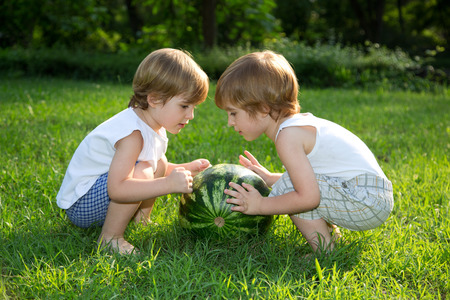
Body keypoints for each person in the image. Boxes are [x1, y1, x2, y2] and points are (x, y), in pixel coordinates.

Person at [215, 50, 394, 254]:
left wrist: (261, 205)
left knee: (291, 191)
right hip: (370, 195)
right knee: (288, 184)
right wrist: (270, 178)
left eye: (233, 113)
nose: (230, 122)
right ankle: (330, 234)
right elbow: (315, 176)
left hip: (366, 201)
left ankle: (325, 250)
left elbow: (309, 198)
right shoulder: (296, 127)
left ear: (263, 108)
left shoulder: (287, 137)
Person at [57, 48, 211, 254]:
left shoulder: (152, 124)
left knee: (159, 162)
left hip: (101, 194)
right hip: (81, 205)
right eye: (184, 106)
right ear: (154, 100)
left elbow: (156, 164)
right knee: (145, 170)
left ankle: (141, 220)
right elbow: (117, 189)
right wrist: (167, 184)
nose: (191, 115)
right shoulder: (132, 135)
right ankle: (110, 238)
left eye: (194, 107)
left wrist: (185, 169)